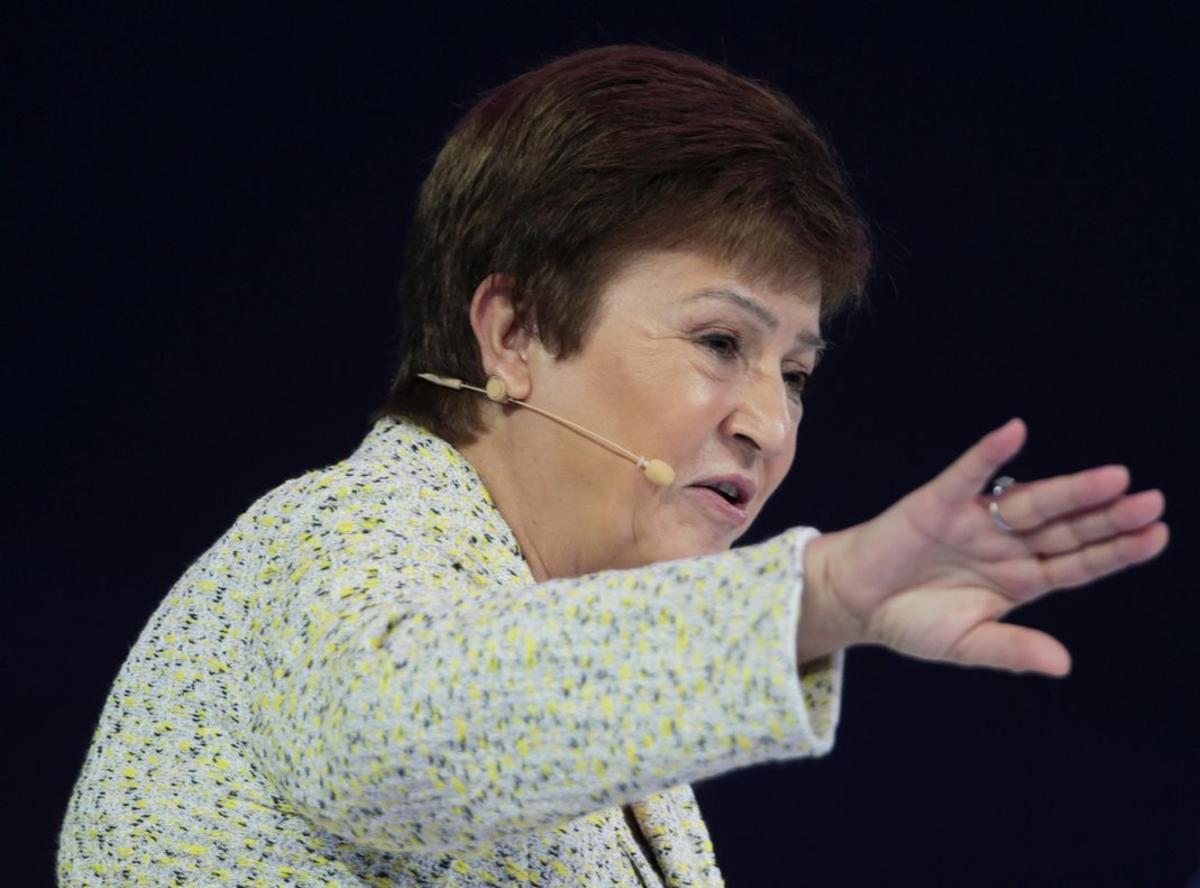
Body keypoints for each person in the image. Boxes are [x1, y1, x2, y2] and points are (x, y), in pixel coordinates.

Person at [57, 45, 1169, 886]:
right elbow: (405, 734)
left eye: (797, 372)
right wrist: (815, 598)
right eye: (720, 343)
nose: (769, 425)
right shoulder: (332, 540)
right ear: (516, 336)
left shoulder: (572, 657)